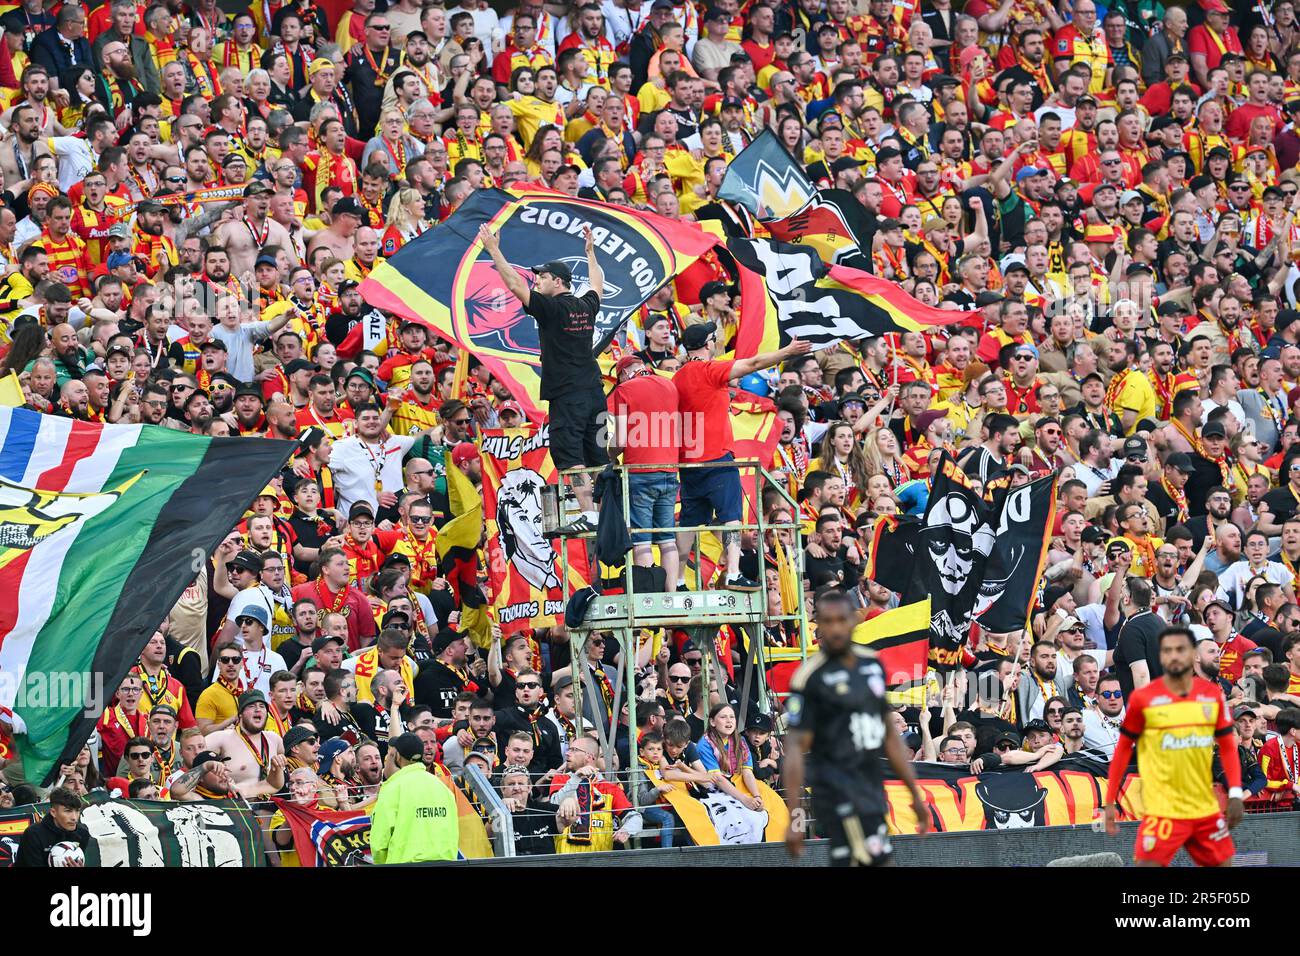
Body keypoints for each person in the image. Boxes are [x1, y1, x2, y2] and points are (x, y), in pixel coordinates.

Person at [784, 589, 929, 866]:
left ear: (853, 620)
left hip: (871, 785)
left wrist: (915, 794)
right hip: (836, 789)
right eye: (827, 621)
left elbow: (888, 733)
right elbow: (793, 750)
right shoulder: (809, 678)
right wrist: (795, 816)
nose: (835, 628)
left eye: (841, 619)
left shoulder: (871, 664)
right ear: (819, 626)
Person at [477, 220, 605, 532]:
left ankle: (589, 515)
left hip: (567, 394)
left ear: (558, 282)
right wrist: (591, 254)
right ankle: (605, 511)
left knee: (569, 454)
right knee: (597, 455)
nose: (537, 282)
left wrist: (493, 249)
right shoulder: (585, 305)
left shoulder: (551, 308)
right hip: (594, 391)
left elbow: (513, 285)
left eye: (542, 277)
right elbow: (597, 284)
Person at [1103, 627, 1243, 867]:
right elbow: (1123, 750)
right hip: (1162, 810)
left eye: (1181, 649)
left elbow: (1229, 747)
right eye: (1168, 650)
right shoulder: (1143, 698)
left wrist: (1236, 793)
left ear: (1191, 655)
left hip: (1204, 808)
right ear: (1161, 656)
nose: (1174, 656)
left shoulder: (1211, 694)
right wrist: (1109, 801)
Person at [370, 732, 459, 863]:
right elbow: (453, 832)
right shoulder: (442, 788)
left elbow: (379, 843)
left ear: (398, 756)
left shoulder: (392, 788)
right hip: (446, 862)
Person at [15, 786, 90, 867]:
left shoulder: (82, 833)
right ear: (53, 812)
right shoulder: (33, 834)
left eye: (77, 811)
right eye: (68, 811)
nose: (74, 818)